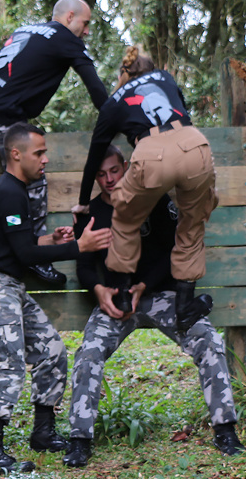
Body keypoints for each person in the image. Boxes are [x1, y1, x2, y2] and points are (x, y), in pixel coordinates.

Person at [63, 145, 243, 468]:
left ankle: (225, 429)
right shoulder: (91, 212)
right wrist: (99, 290)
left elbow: (173, 250)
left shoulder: (152, 200)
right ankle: (79, 441)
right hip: (116, 300)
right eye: (101, 174)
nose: (108, 179)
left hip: (160, 294)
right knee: (88, 354)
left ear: (126, 166)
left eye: (114, 171)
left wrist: (144, 285)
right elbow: (85, 265)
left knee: (208, 340)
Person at [0, 122, 112, 476]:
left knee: (52, 351)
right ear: (16, 154)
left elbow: (21, 245)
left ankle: (43, 433)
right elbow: (23, 255)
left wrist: (51, 240)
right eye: (39, 153)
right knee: (9, 363)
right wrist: (79, 247)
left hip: (11, 286)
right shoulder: (10, 192)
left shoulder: (16, 191)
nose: (45, 159)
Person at [0, 0, 109, 286]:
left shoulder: (28, 30)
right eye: (85, 23)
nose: (86, 31)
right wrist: (114, 117)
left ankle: (27, 245)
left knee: (21, 173)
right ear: (70, 17)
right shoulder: (65, 38)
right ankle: (36, 256)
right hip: (0, 114)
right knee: (33, 176)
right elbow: (94, 86)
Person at [73, 46, 216, 334]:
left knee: (125, 221)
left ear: (123, 75)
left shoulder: (113, 101)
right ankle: (185, 308)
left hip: (151, 153)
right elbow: (181, 111)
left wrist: (83, 201)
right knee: (192, 223)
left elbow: (96, 153)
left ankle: (124, 296)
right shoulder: (165, 77)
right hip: (195, 144)